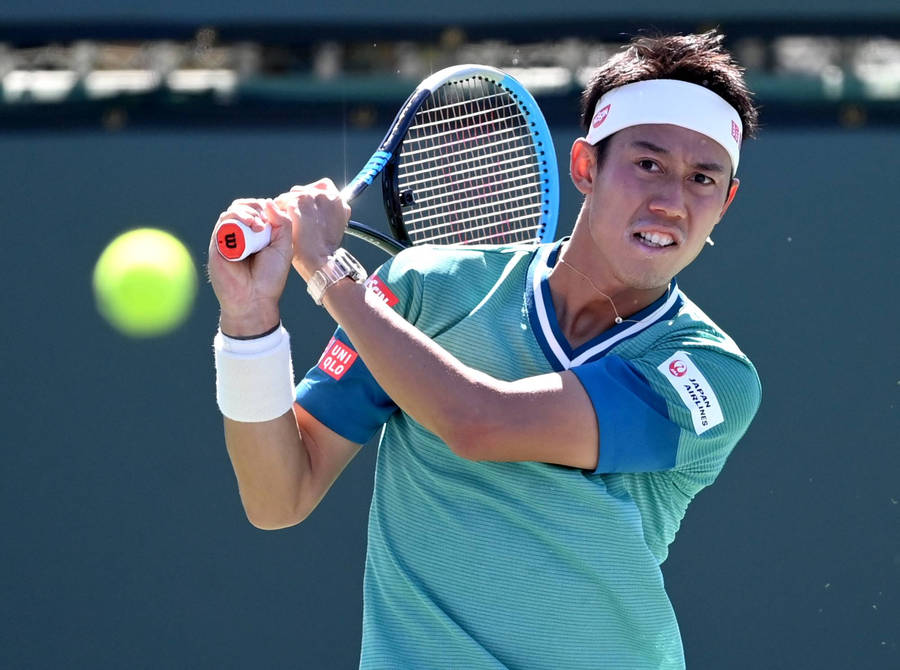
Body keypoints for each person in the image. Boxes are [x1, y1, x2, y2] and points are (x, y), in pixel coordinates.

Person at [209, 30, 761, 669]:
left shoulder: (710, 374)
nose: (670, 201)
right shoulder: (422, 290)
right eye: (648, 163)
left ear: (726, 201)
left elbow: (481, 423)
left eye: (702, 178)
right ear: (586, 167)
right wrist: (248, 322)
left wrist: (330, 273)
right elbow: (277, 498)